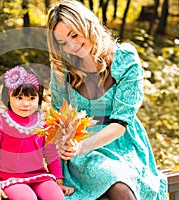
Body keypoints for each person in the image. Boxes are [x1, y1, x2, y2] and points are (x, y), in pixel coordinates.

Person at [46, 0, 168, 199]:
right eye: (63, 43)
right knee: (115, 184)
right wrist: (65, 148)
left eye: (74, 35)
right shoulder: (62, 70)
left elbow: (121, 123)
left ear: (88, 25)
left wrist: (81, 147)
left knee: (123, 186)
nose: (72, 46)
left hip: (124, 144)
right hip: (83, 153)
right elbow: (59, 121)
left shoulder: (124, 59)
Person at [0, 66, 74, 200]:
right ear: (8, 98)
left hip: (39, 175)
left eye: (32, 98)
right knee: (28, 198)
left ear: (39, 98)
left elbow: (50, 152)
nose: (26, 104)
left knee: (56, 197)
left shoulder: (43, 121)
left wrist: (58, 181)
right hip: (10, 177)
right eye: (19, 98)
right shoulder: (2, 121)